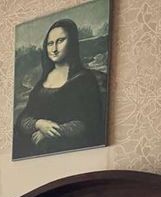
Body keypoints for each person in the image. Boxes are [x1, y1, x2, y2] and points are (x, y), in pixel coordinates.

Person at [13, 18, 105, 159]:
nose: (54, 49)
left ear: (72, 43)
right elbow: (23, 119)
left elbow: (88, 122)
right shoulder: (41, 83)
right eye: (50, 43)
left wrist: (51, 132)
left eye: (60, 41)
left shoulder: (84, 79)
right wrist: (39, 124)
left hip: (73, 155)